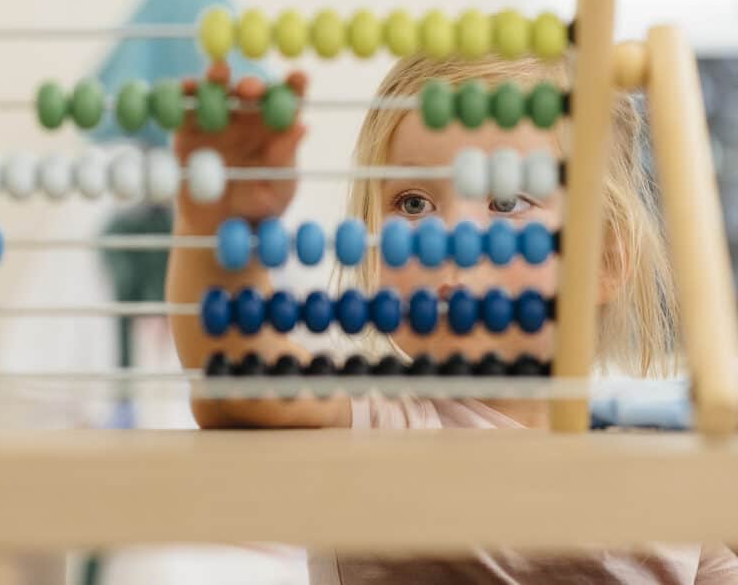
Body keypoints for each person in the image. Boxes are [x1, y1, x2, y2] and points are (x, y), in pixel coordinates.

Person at [166, 54, 738, 583]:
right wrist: (220, 224)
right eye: (413, 204)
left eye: (507, 202)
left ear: (605, 260)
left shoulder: (669, 467)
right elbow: (240, 381)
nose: (445, 239)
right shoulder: (378, 420)